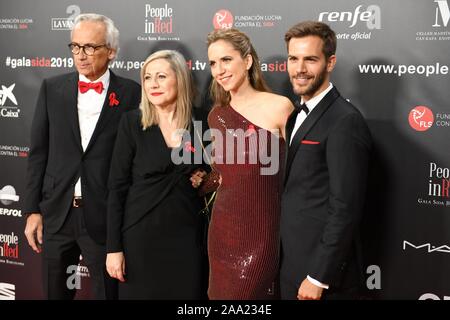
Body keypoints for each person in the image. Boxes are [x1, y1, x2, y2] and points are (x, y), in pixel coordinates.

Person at [23, 13, 141, 300]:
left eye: (90, 47)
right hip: (57, 215)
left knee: (106, 294)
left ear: (111, 51)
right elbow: (38, 152)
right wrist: (32, 211)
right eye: (75, 47)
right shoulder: (52, 89)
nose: (81, 55)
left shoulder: (131, 93)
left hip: (104, 215)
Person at [105, 50, 209, 299]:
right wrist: (114, 249)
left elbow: (216, 178)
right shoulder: (132, 123)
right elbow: (116, 188)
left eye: (161, 76)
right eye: (148, 77)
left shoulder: (202, 123)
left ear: (180, 79)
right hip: (139, 240)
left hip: (188, 240)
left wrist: (204, 179)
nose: (153, 84)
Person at [280, 21, 372, 300]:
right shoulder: (296, 114)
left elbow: (345, 207)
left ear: (330, 62)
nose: (300, 69)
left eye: (310, 59)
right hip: (290, 263)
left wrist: (319, 275)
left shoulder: (345, 121)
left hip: (321, 277)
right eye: (293, 58)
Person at [202, 28, 293, 299]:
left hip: (263, 232)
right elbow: (224, 176)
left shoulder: (280, 107)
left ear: (248, 61)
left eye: (226, 60)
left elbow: (299, 173)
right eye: (213, 63)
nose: (219, 70)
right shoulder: (216, 116)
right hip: (222, 231)